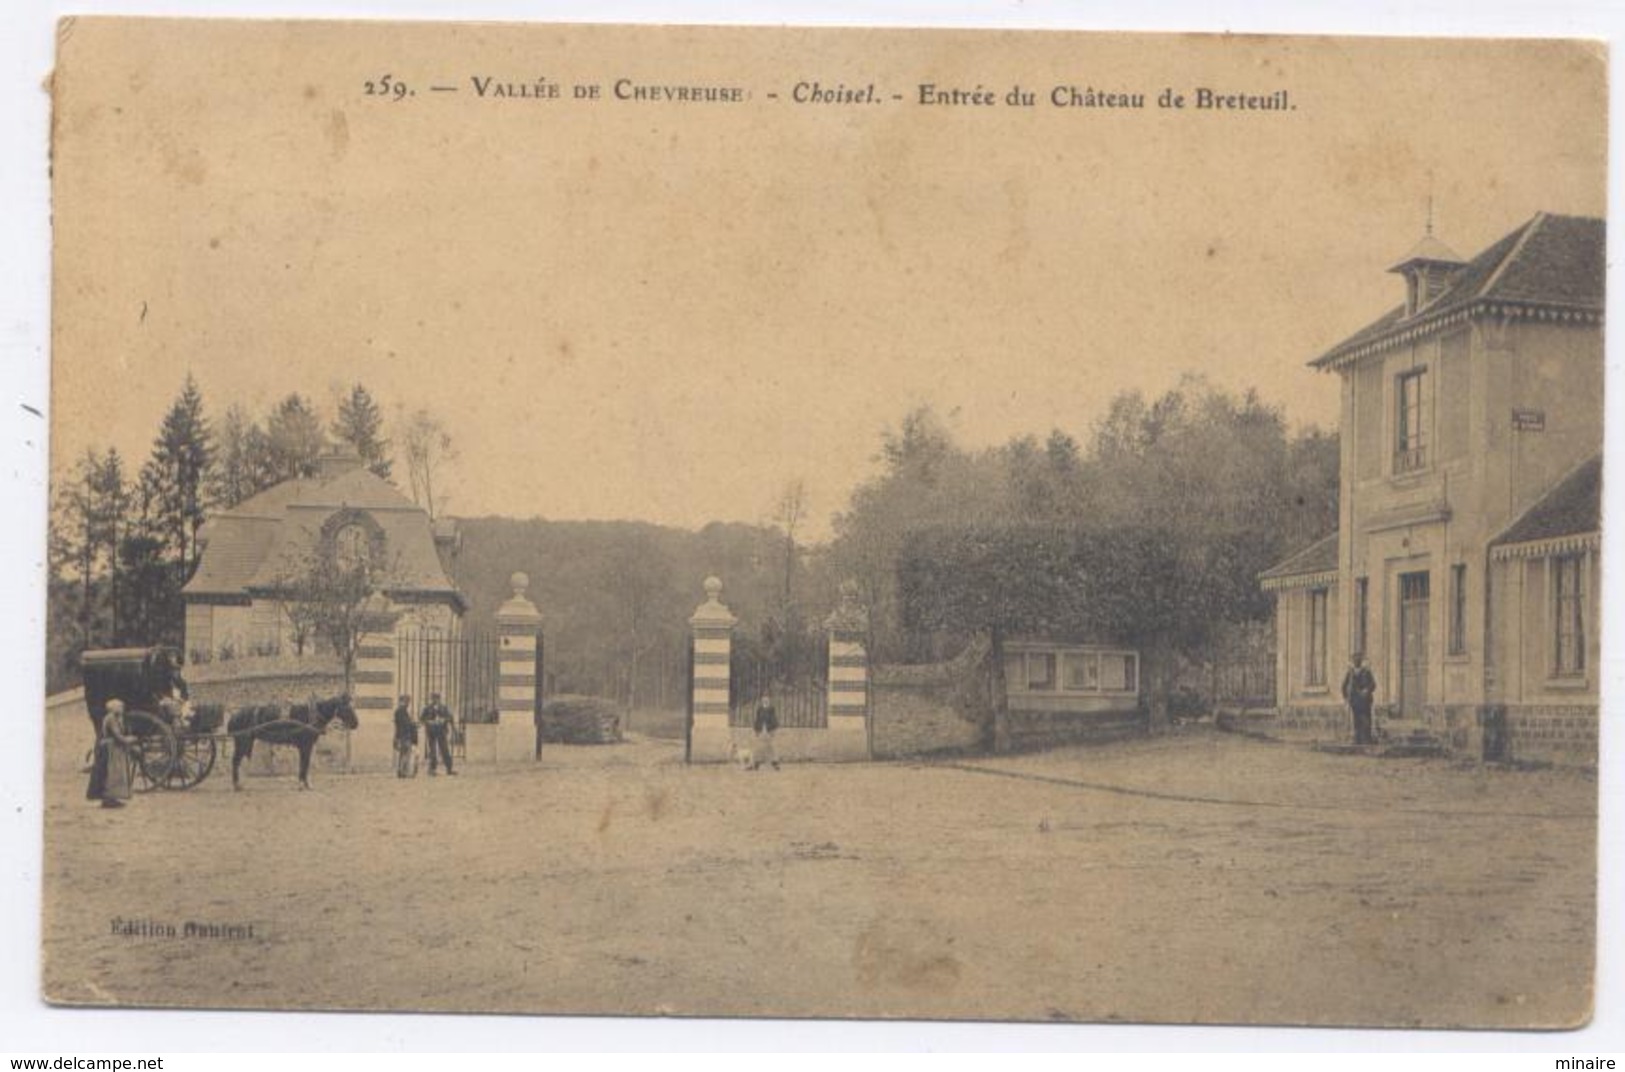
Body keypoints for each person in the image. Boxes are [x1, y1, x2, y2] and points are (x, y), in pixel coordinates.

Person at [86, 698, 134, 808]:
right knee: (110, 774)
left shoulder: (116, 718)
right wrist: (128, 740)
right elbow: (117, 735)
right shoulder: (111, 719)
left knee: (114, 773)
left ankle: (112, 798)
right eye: (120, 707)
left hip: (115, 749)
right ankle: (108, 799)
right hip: (109, 749)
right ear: (114, 708)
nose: (122, 709)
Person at [1341, 654, 1378, 746]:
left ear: (1361, 662)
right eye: (1355, 660)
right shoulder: (1350, 673)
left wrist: (1367, 690)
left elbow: (1373, 684)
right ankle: (1357, 740)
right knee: (1356, 720)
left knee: (1366, 720)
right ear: (1353, 662)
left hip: (1365, 700)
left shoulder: (1366, 672)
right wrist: (1346, 697)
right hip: (1355, 701)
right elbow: (1344, 686)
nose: (1357, 661)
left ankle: (1366, 739)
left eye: (1358, 660)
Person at [421, 692, 457, 776]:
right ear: (431, 699)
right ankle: (432, 769)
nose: (435, 700)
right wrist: (429, 721)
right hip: (431, 731)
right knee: (432, 750)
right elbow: (422, 718)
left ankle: (449, 768)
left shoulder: (444, 708)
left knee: (445, 749)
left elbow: (450, 717)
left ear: (439, 699)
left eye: (437, 698)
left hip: (441, 731)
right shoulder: (427, 708)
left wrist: (444, 720)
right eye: (434, 698)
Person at [752, 690, 780, 771]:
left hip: (769, 730)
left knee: (771, 747)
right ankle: (756, 763)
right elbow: (757, 719)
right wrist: (756, 730)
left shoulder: (771, 708)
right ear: (761, 699)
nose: (765, 699)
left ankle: (775, 763)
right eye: (764, 698)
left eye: (767, 698)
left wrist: (773, 731)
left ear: (769, 699)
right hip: (761, 729)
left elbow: (774, 719)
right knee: (759, 747)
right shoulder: (759, 709)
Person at [393, 695, 418, 778]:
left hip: (403, 735)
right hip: (404, 735)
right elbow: (404, 724)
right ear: (402, 701)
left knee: (404, 754)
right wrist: (412, 724)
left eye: (408, 701)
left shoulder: (402, 711)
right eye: (406, 701)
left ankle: (402, 771)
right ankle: (403, 772)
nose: (408, 703)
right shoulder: (401, 711)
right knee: (405, 753)